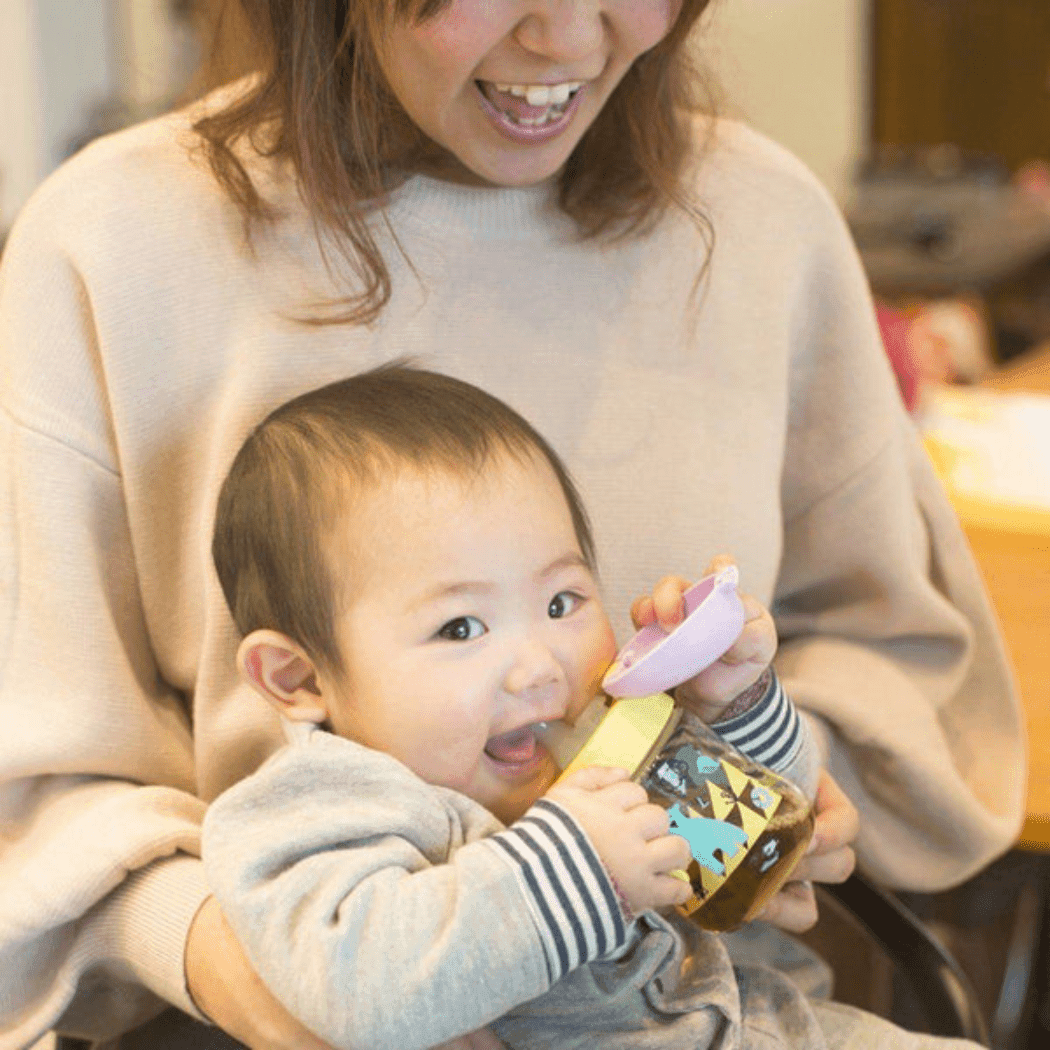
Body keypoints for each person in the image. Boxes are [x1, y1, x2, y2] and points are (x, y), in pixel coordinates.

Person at [0, 1, 1023, 1048]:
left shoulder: (763, 221)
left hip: (719, 993)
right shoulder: (113, 242)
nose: (571, 40)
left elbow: (892, 657)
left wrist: (782, 764)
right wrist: (262, 981)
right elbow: (43, 797)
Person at [202, 362, 823, 1049]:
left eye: (562, 603)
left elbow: (768, 844)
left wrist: (735, 701)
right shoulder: (315, 809)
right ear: (299, 678)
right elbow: (358, 990)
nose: (538, 667)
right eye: (461, 627)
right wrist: (582, 869)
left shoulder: (594, 740)